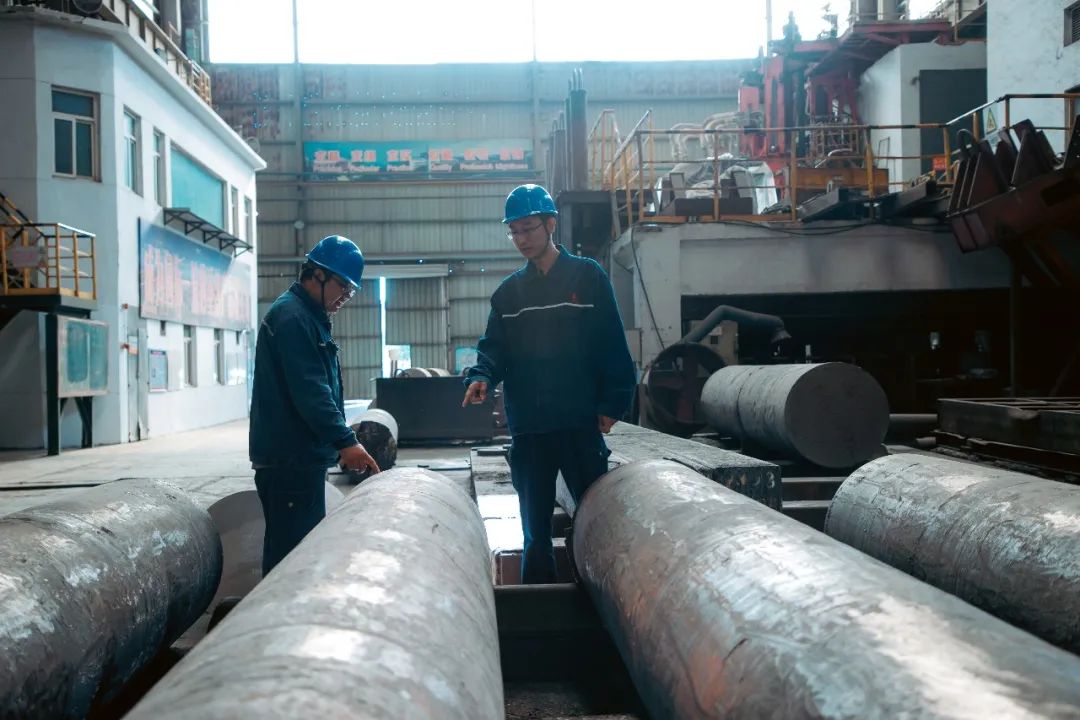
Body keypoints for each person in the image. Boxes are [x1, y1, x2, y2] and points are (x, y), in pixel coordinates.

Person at [463, 184, 637, 584]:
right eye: (514, 231)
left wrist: (613, 403)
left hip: (579, 425)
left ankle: (603, 600)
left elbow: (611, 342)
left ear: (550, 224)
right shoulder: (508, 295)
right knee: (534, 534)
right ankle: (538, 607)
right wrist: (481, 376)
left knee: (596, 521)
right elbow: (494, 348)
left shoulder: (587, 277)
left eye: (528, 228)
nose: (521, 239)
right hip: (531, 430)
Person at [249, 235, 380, 575]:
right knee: (292, 561)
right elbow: (311, 391)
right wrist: (345, 441)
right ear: (318, 275)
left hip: (298, 457)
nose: (345, 297)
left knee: (297, 553)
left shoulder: (307, 316)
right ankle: (279, 609)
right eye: (343, 287)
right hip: (289, 460)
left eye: (351, 291)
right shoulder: (292, 318)